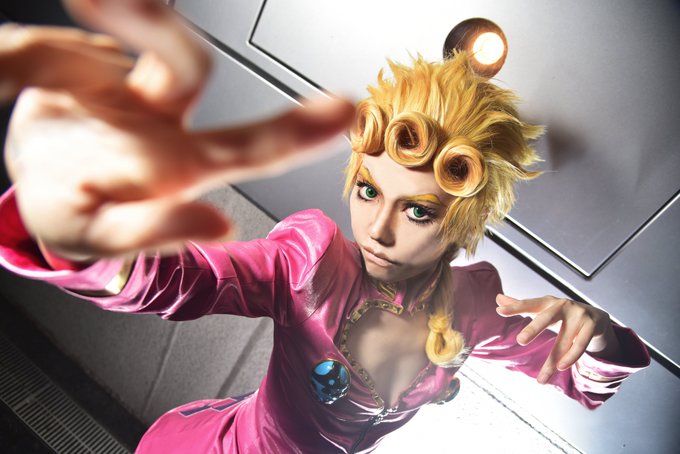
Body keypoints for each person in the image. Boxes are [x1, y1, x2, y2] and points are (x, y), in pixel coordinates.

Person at [0, 1, 650, 452]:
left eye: (418, 210)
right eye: (369, 191)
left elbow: (583, 379)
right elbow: (189, 279)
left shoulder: (477, 305)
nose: (378, 229)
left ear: (464, 223)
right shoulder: (311, 262)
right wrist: (75, 237)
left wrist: (601, 335)